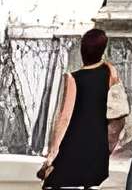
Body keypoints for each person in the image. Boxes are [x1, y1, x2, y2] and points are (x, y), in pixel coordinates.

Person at [38, 28, 123, 187]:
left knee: (52, 184)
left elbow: (64, 118)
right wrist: (109, 146)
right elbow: (118, 116)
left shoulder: (74, 79)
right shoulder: (110, 73)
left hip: (74, 148)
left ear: (82, 51)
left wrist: (52, 153)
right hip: (97, 150)